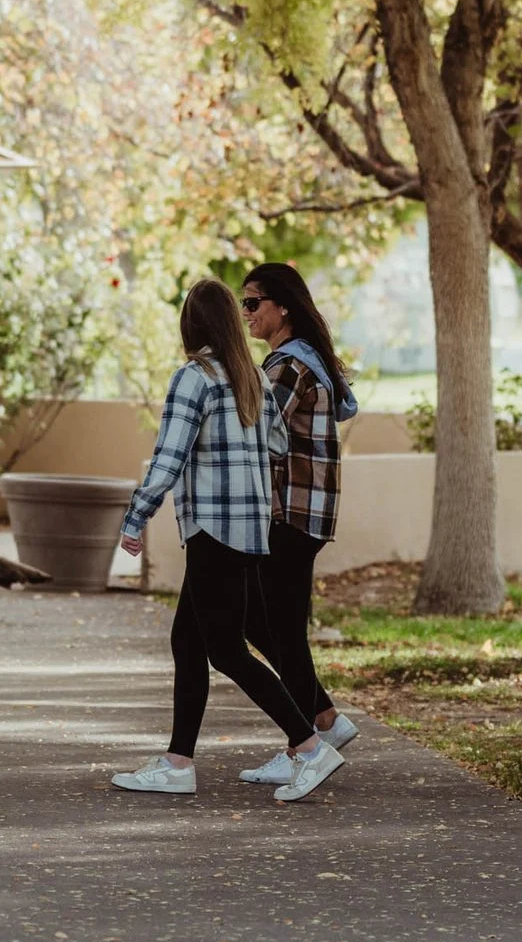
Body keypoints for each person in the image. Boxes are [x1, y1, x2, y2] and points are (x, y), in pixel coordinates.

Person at [110, 279, 344, 804]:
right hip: (249, 531)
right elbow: (279, 442)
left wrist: (134, 518)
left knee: (227, 651)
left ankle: (309, 746)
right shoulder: (251, 381)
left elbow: (169, 458)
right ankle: (177, 763)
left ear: (191, 325)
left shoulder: (194, 378)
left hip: (213, 529)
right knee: (187, 643)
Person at [235, 261, 359, 789]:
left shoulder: (287, 365)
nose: (245, 314)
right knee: (269, 622)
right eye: (243, 304)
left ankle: (303, 743)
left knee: (268, 622)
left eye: (253, 303)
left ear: (282, 305)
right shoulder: (303, 360)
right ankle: (324, 720)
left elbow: (257, 433)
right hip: (306, 513)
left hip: (290, 511)